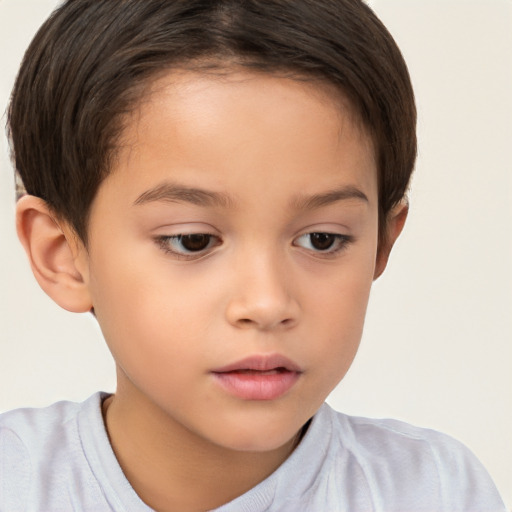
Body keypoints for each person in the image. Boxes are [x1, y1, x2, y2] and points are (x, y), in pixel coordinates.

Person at [0, 0, 506, 511]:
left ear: (381, 243)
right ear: (62, 254)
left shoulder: (434, 492)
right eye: (192, 240)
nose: (266, 303)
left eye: (322, 239)